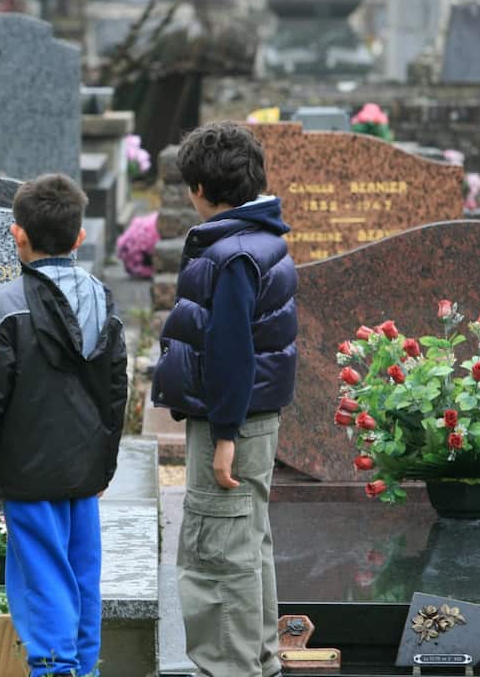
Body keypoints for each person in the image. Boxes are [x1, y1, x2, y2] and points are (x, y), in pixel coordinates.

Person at [0, 173, 128, 677]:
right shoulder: (104, 300)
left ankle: (54, 669)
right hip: (83, 471)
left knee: (41, 577)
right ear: (79, 238)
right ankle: (84, 666)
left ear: (17, 234)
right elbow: (117, 395)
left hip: (28, 470)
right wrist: (104, 466)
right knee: (81, 572)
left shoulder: (5, 306)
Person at [152, 121, 298, 677]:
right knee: (248, 541)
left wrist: (225, 437)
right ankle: (259, 663)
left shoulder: (232, 253)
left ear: (199, 190)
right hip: (252, 418)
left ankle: (230, 668)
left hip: (230, 422)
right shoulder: (259, 239)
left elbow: (232, 351)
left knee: (218, 555)